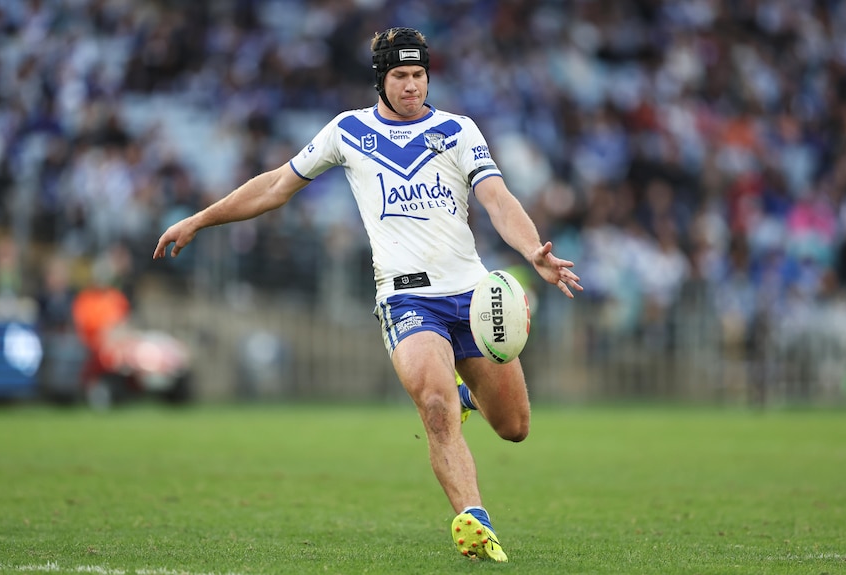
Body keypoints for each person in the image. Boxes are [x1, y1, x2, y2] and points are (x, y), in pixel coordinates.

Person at [153, 26, 582, 562]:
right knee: (433, 403)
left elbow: (496, 198)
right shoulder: (347, 132)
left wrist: (531, 251)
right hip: (407, 299)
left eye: (419, 75)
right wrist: (198, 220)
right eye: (400, 76)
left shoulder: (457, 130)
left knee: (514, 427)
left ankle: (466, 396)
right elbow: (274, 187)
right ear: (381, 79)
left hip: (472, 296)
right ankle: (473, 519)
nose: (411, 86)